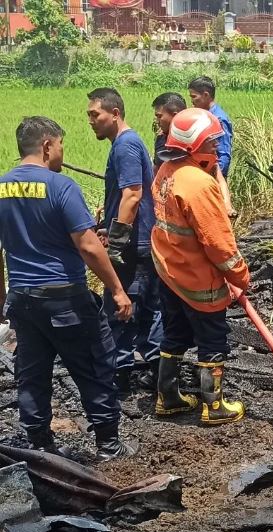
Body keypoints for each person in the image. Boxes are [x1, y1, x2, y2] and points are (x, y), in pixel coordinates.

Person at [0, 116, 135, 461]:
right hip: (64, 298)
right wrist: (118, 290)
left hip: (22, 299)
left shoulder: (2, 187)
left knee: (32, 372)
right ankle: (108, 445)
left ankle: (41, 446)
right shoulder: (61, 186)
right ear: (47, 145)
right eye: (60, 144)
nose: (62, 152)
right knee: (94, 363)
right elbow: (88, 246)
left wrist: (4, 301)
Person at [152, 108, 249, 424]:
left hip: (169, 272)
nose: (216, 149)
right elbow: (219, 243)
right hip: (197, 278)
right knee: (212, 339)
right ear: (191, 146)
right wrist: (239, 276)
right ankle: (214, 406)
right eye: (210, 143)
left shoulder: (167, 170)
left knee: (174, 334)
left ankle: (167, 397)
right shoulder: (197, 183)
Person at [87, 88, 163, 393]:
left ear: (115, 113)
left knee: (121, 306)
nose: (91, 121)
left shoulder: (125, 146)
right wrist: (110, 219)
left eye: (96, 114)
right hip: (140, 239)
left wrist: (117, 241)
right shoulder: (125, 143)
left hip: (135, 245)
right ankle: (156, 370)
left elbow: (133, 194)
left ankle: (124, 373)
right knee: (146, 306)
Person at [187, 76, 235, 216]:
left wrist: (216, 180)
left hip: (213, 178)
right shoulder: (204, 116)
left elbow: (224, 154)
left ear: (206, 95)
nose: (192, 101)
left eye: (194, 97)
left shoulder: (219, 119)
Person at [151, 92, 187, 173]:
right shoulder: (161, 138)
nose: (157, 121)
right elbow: (156, 168)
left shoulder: (193, 141)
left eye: (159, 116)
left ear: (175, 116)